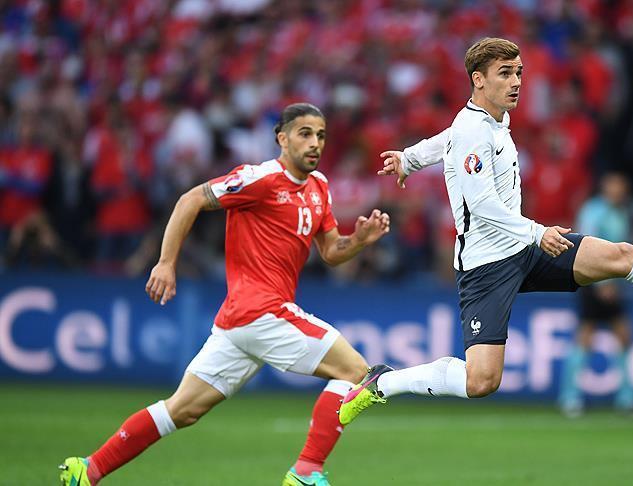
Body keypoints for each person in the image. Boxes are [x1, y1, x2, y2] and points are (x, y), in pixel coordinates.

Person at [338, 37, 633, 425]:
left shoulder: (488, 120)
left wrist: (410, 158)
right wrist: (537, 233)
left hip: (522, 246)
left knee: (621, 256)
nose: (516, 82)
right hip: (486, 266)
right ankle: (384, 382)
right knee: (481, 381)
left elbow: (446, 139)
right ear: (478, 80)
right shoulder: (474, 129)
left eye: (519, 72)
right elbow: (481, 205)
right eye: (505, 74)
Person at [59, 103, 391, 486]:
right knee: (357, 373)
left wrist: (358, 240)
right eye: (305, 134)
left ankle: (88, 469)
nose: (315, 143)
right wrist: (166, 262)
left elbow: (331, 251)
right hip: (263, 311)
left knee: (181, 410)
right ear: (282, 139)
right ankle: (306, 470)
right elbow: (190, 200)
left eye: (321, 135)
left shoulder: (319, 187)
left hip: (241, 322)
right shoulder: (259, 178)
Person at [558, 172, 633, 417]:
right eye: (615, 185)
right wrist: (600, 283)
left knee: (623, 335)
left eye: (622, 186)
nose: (619, 190)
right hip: (593, 281)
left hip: (611, 282)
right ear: (605, 187)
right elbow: (586, 245)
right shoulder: (594, 211)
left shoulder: (620, 213)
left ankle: (627, 397)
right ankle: (569, 397)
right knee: (586, 336)